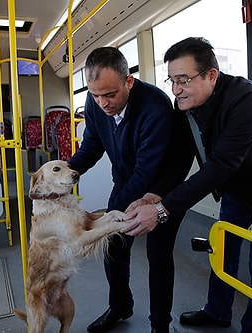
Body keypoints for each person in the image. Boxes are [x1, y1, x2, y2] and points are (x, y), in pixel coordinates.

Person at [122, 37, 252, 333]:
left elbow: (221, 165)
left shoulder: (247, 98)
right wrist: (155, 195)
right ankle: (218, 311)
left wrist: (162, 210)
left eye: (183, 80)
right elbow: (181, 158)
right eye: (172, 80)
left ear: (211, 75)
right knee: (222, 252)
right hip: (236, 186)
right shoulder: (185, 105)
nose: (176, 88)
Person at [67, 47, 193, 333]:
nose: (102, 103)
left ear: (129, 81)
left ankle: (160, 325)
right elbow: (92, 145)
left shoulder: (156, 108)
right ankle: (121, 306)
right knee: (114, 247)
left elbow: (145, 174)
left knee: (158, 256)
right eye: (96, 94)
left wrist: (104, 218)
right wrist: (64, 175)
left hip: (160, 190)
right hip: (126, 182)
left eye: (110, 95)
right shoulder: (95, 99)